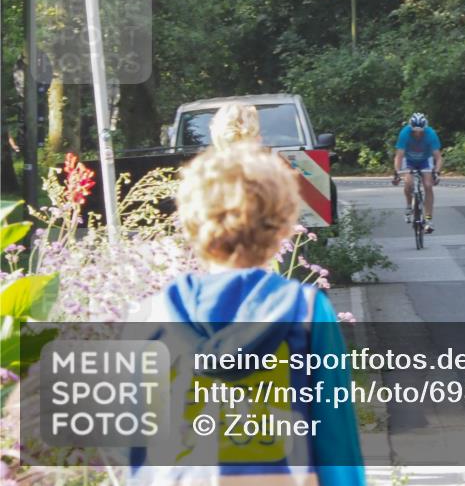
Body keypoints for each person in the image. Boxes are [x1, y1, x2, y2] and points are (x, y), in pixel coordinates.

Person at [130, 143, 365, 486]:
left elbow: (137, 446)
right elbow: (334, 434)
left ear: (191, 223)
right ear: (283, 225)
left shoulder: (152, 314)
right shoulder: (307, 311)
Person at [392, 112, 442, 234]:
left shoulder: (431, 134)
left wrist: (437, 172)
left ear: (425, 128)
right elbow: (399, 156)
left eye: (421, 131)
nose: (418, 133)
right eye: (415, 131)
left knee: (428, 186)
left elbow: (438, 157)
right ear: (411, 128)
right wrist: (397, 173)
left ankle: (428, 220)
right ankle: (409, 206)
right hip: (409, 160)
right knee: (408, 183)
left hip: (425, 160)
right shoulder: (405, 133)